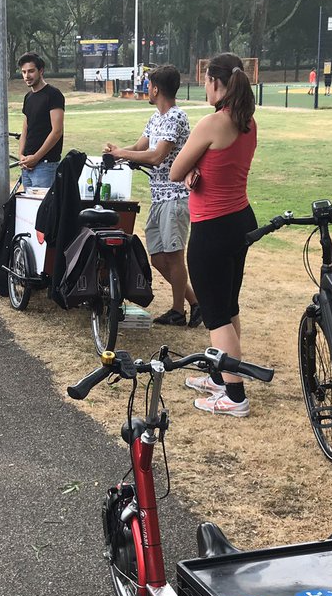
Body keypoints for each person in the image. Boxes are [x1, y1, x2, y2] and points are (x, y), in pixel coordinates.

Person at [169, 52, 258, 418]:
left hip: (214, 227)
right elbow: (218, 167)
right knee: (229, 304)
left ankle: (234, 396)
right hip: (240, 221)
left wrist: (190, 172)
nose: (204, 87)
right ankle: (222, 378)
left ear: (217, 84)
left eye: (206, 81)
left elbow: (175, 170)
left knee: (216, 314)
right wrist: (197, 172)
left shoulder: (211, 123)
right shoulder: (248, 122)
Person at [103, 64, 201, 328]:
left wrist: (123, 154)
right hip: (159, 197)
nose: (147, 89)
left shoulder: (176, 117)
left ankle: (178, 311)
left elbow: (156, 156)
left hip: (175, 196)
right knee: (157, 256)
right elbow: (139, 147)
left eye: (148, 85)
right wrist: (118, 150)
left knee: (174, 255)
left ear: (156, 88)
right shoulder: (155, 118)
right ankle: (195, 302)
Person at [17, 52, 65, 190]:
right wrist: (21, 155)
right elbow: (25, 130)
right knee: (29, 209)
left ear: (41, 71)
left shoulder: (53, 95)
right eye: (24, 72)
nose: (27, 76)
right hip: (27, 165)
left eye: (31, 71)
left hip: (45, 165)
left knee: (43, 210)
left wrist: (36, 157)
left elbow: (57, 131)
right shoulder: (28, 97)